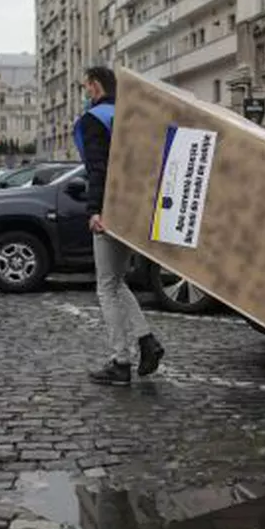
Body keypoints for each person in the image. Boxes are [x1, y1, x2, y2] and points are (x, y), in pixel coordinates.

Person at [74, 66, 165, 387]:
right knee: (116, 280)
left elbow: (98, 169)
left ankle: (120, 361)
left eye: (86, 87)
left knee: (106, 286)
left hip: (111, 208)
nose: (85, 93)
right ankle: (147, 341)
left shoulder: (94, 119)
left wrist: (95, 210)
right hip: (136, 207)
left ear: (96, 86)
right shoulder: (129, 116)